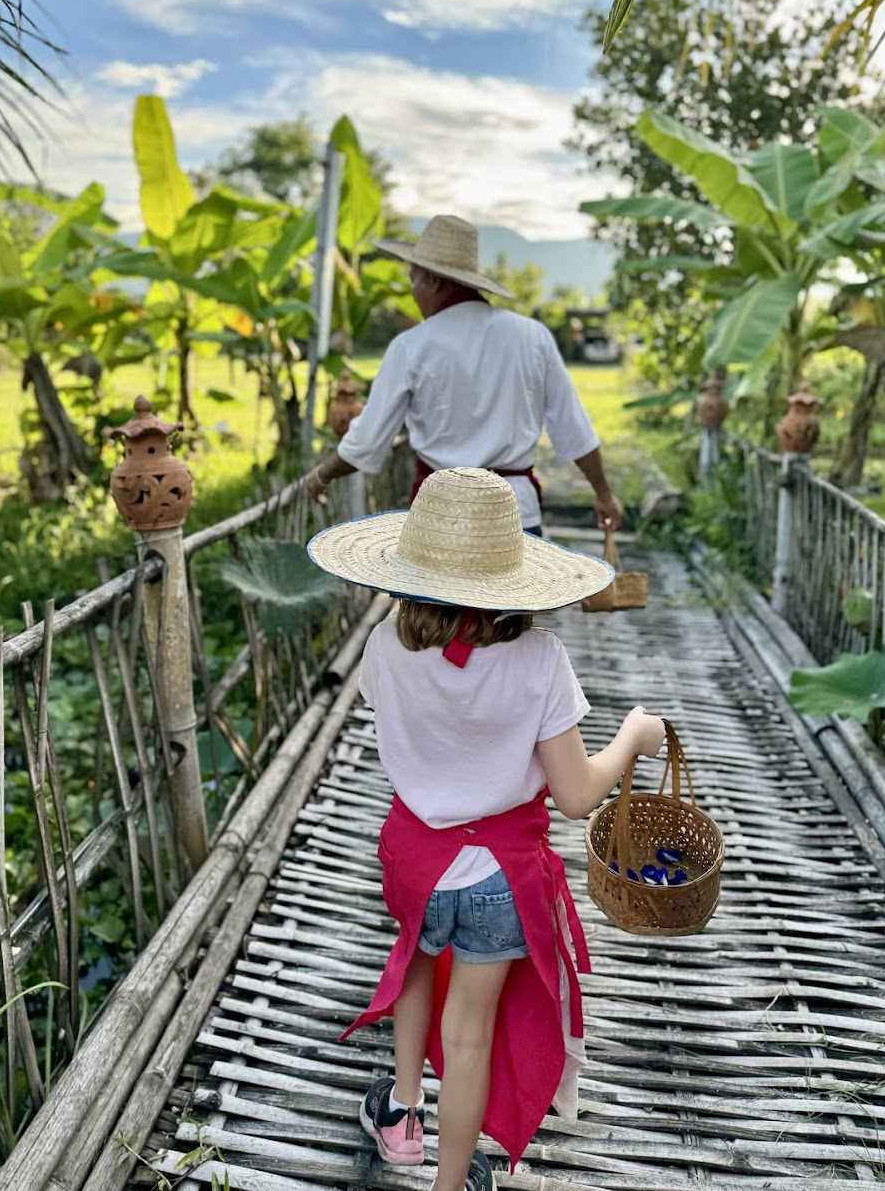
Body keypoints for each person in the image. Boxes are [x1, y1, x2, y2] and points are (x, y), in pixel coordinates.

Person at [308, 467, 665, 1191]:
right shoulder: (539, 660)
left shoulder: (385, 645)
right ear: (514, 578)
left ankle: (402, 1112)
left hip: (415, 860)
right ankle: (448, 1184)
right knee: (466, 1034)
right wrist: (630, 738)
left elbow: (413, 724)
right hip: (500, 880)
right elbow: (574, 794)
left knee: (413, 961)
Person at [304, 214, 623, 535]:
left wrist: (322, 475)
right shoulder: (533, 336)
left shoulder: (411, 346)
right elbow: (574, 430)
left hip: (440, 516)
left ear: (434, 281)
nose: (413, 293)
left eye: (414, 280)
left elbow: (367, 440)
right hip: (513, 517)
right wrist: (604, 496)